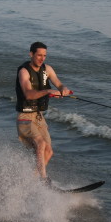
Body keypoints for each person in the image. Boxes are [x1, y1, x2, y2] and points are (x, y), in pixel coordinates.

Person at [15, 42, 71, 183]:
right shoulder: (24, 71)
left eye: (44, 55)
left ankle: (32, 181)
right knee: (40, 144)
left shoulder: (48, 69)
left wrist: (63, 89)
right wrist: (48, 91)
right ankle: (44, 180)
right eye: (39, 55)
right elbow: (28, 94)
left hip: (38, 117)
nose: (42, 58)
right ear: (31, 54)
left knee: (48, 152)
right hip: (25, 117)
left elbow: (59, 84)